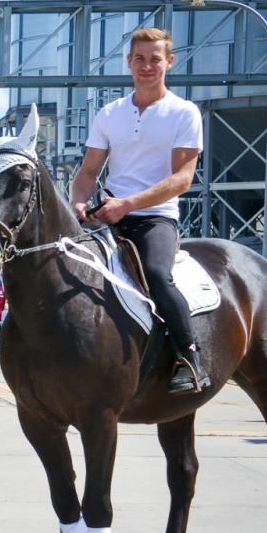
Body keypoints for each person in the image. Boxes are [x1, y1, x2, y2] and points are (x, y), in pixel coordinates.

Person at [72, 25, 209, 394]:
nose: (147, 66)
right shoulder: (110, 113)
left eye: (155, 59)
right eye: (140, 59)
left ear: (170, 61)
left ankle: (190, 357)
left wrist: (129, 204)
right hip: (108, 213)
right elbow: (87, 173)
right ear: (129, 63)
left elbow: (182, 178)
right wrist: (80, 204)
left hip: (155, 217)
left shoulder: (183, 113)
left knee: (155, 274)